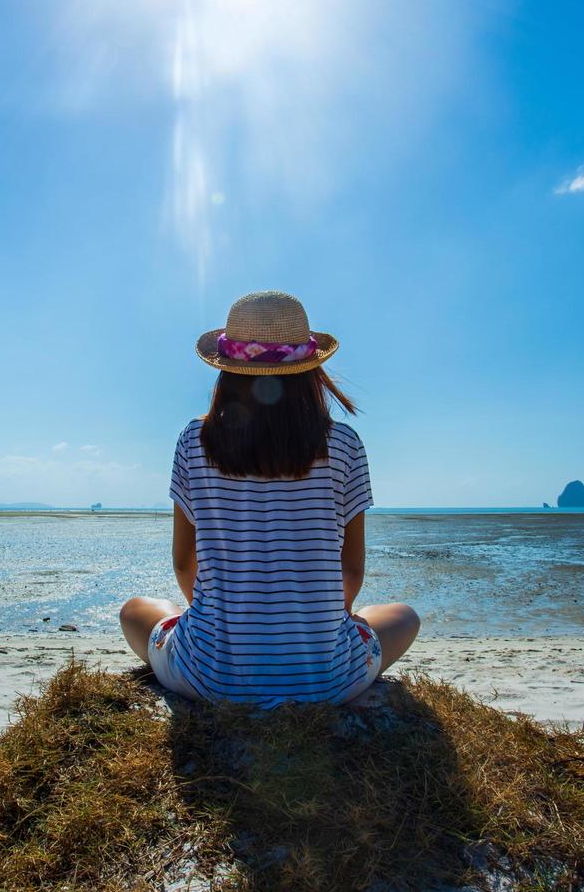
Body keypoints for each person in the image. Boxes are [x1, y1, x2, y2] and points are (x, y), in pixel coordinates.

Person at [119, 290, 420, 706]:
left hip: (210, 674)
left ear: (227, 371)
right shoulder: (346, 445)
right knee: (404, 616)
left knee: (136, 610)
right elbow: (351, 569)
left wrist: (233, 627)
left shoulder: (195, 441)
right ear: (311, 371)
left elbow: (185, 563)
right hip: (327, 680)